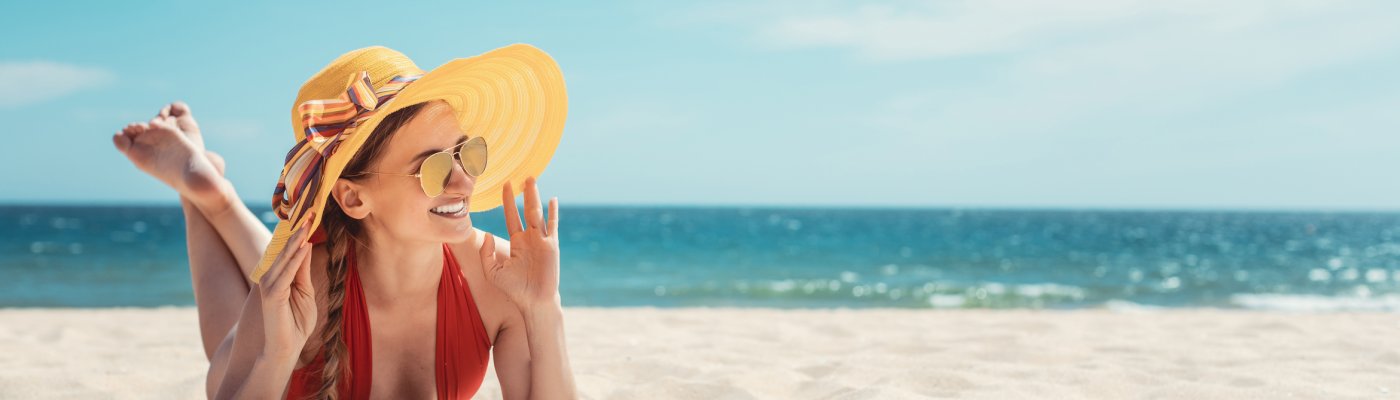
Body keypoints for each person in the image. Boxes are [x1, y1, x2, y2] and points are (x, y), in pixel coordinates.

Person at [111, 44, 576, 399]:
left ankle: (214, 191)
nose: (464, 182)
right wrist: (278, 354)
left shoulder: (500, 277)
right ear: (353, 196)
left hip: (328, 267)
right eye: (433, 167)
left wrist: (543, 308)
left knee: (297, 273)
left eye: (467, 152)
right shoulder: (303, 280)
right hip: (265, 356)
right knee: (236, 339)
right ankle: (202, 198)